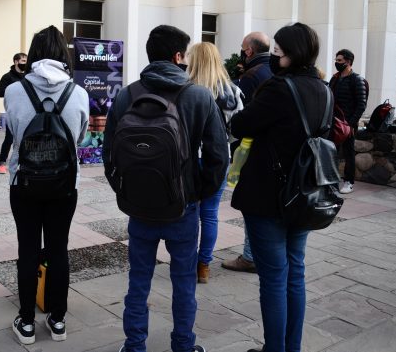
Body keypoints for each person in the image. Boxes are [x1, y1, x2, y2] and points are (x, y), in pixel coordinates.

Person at [103, 25, 228, 352]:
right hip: (182, 209)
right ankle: (184, 346)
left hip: (139, 207)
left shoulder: (127, 95)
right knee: (184, 282)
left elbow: (109, 154)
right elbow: (218, 156)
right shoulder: (199, 96)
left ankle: (134, 346)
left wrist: (124, 192)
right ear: (177, 57)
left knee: (138, 281)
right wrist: (197, 193)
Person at [230, 22, 329, 352]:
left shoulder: (279, 88)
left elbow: (240, 124)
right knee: (294, 273)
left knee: (274, 277)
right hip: (304, 195)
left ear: (292, 54)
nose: (273, 57)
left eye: (277, 52)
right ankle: (291, 347)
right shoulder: (324, 90)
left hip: (268, 196)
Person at [4, 26, 88, 345]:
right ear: (64, 55)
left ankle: (26, 322)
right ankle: (57, 320)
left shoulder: (15, 90)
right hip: (65, 184)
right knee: (58, 249)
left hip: (23, 181)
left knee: (27, 249)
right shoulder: (78, 93)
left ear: (34, 53)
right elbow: (79, 138)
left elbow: (13, 131)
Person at [186, 42, 243, 283]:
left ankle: (186, 262)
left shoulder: (186, 90)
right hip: (219, 160)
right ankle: (204, 266)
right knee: (210, 214)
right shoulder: (232, 91)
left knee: (189, 213)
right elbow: (238, 130)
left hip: (189, 160)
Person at [222, 31, 272, 274]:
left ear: (249, 51)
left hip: (250, 149)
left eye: (243, 48)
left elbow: (240, 120)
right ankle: (262, 252)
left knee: (251, 204)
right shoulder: (277, 71)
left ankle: (251, 256)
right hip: (274, 151)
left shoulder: (252, 76)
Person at [329, 49, 367, 194]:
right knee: (332, 152)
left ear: (348, 62)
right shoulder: (335, 78)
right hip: (334, 121)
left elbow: (361, 104)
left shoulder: (357, 80)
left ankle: (348, 181)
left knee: (348, 153)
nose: (337, 63)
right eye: (336, 60)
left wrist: (350, 124)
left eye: (339, 61)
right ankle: (332, 181)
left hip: (348, 124)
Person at [0, 52, 27, 174]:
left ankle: (23, 163)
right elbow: (0, 93)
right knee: (9, 138)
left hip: (26, 112)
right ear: (16, 62)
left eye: (26, 61)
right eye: (23, 61)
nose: (25, 63)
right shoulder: (7, 77)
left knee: (24, 139)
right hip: (12, 112)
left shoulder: (28, 76)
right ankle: (2, 163)